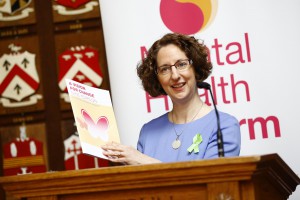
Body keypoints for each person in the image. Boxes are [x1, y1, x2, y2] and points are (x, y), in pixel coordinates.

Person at [101, 33, 241, 165]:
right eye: (165, 69)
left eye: (181, 64)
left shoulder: (223, 125)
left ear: (195, 67)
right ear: (157, 78)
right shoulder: (148, 131)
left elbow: (211, 182)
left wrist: (142, 161)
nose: (174, 75)